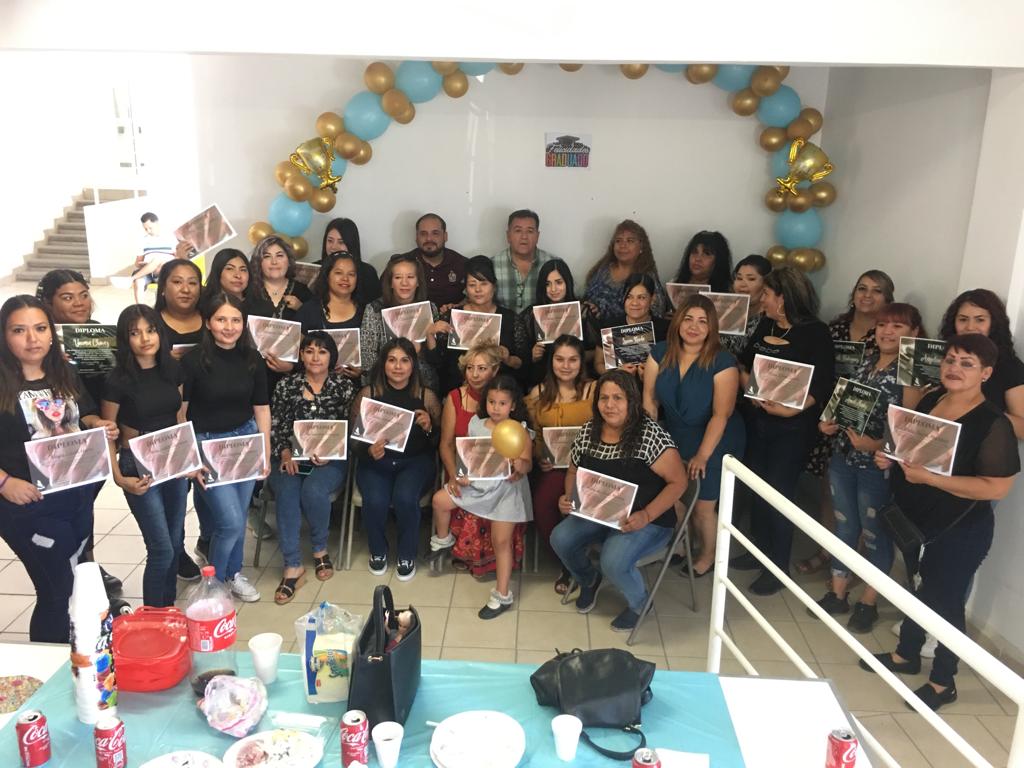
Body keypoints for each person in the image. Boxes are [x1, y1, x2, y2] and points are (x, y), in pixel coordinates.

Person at [861, 334, 1019, 712]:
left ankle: (943, 682)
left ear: (986, 373)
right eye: (950, 359)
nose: (954, 368)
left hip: (958, 531)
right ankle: (906, 654)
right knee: (917, 591)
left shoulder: (992, 423)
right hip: (916, 522)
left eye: (967, 363)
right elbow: (911, 451)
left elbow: (997, 487)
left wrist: (931, 480)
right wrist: (889, 457)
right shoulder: (931, 400)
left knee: (945, 605)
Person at [0, 296, 119, 642]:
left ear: (51, 332)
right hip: (27, 504)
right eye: (19, 330)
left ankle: (80, 656)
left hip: (75, 495)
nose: (32, 339)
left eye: (40, 328)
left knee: (78, 583)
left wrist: (98, 424)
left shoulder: (64, 373)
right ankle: (47, 664)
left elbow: (84, 414)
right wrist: (5, 482)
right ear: (4, 335)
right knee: (56, 592)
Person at [814, 302, 925, 632]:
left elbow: (912, 429)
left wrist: (876, 445)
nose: (887, 331)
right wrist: (826, 423)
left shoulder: (912, 372)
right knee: (844, 526)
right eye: (883, 324)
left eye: (897, 326)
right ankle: (837, 593)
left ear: (914, 333)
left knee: (875, 534)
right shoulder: (867, 360)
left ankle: (868, 602)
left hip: (878, 466)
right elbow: (844, 402)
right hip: (844, 456)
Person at [551, 370, 687, 632]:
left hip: (647, 520)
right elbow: (572, 471)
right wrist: (569, 498)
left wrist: (646, 515)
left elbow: (679, 483)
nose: (609, 405)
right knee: (560, 538)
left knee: (612, 560)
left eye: (618, 398)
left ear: (632, 400)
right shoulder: (589, 430)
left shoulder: (650, 435)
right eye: (604, 398)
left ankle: (640, 604)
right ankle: (589, 579)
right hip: (600, 514)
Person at [736, 266, 834, 596]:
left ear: (783, 297)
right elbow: (745, 362)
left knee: (778, 495)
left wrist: (792, 409)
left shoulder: (815, 332)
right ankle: (758, 551)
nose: (761, 299)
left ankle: (776, 567)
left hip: (792, 428)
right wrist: (750, 389)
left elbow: (823, 382)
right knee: (757, 489)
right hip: (758, 421)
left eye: (766, 294)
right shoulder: (766, 324)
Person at [644, 293, 745, 577]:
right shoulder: (659, 353)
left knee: (702, 506)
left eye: (702, 321)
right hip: (673, 433)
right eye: (688, 319)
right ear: (678, 321)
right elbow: (649, 401)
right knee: (673, 497)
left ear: (711, 327)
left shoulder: (723, 362)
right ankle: (682, 544)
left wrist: (702, 455)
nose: (694, 326)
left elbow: (721, 415)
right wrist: (649, 440)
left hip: (714, 438)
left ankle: (707, 556)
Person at [801, 269, 894, 576]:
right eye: (862, 288)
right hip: (831, 417)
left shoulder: (889, 335)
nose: (867, 295)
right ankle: (829, 552)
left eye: (877, 290)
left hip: (870, 430)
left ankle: (856, 563)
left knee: (864, 503)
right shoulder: (835, 328)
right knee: (830, 491)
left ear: (887, 299)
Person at [180, 293, 270, 601]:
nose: (229, 327)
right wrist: (190, 456)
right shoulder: (192, 361)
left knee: (239, 517)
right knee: (229, 522)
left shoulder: (253, 358)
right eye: (221, 319)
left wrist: (264, 450)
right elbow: (181, 414)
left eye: (235, 320)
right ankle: (214, 586)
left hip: (245, 441)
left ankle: (233, 574)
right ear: (208, 322)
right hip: (207, 445)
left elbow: (262, 408)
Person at [36, 269, 122, 594]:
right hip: (56, 442)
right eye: (67, 297)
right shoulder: (41, 344)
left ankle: (87, 565)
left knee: (85, 507)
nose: (79, 303)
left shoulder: (99, 334)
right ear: (48, 302)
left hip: (97, 430)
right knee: (64, 512)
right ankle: (75, 570)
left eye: (84, 295)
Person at [102, 304, 190, 607]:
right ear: (125, 338)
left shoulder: (172, 369)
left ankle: (168, 611)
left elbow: (179, 417)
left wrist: (188, 459)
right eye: (135, 332)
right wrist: (119, 478)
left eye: (150, 330)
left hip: (172, 461)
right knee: (161, 549)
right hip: (137, 465)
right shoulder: (118, 379)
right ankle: (153, 616)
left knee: (175, 544)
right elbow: (107, 433)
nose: (145, 338)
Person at [433, 374, 533, 619]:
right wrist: (461, 476)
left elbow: (527, 464)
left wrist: (518, 465)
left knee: (501, 541)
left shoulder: (519, 430)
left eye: (502, 403)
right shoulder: (476, 424)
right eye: (491, 402)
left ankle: (502, 594)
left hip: (507, 491)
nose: (496, 408)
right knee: (439, 500)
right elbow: (468, 459)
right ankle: (444, 540)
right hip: (479, 485)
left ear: (513, 405)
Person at [268, 331, 357, 604]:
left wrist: (332, 452)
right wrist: (285, 453)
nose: (315, 357)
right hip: (290, 457)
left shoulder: (344, 387)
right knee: (287, 492)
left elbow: (351, 429)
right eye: (309, 351)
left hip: (330, 459)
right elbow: (276, 425)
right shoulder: (286, 385)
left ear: (332, 357)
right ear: (301, 355)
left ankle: (319, 549)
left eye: (322, 351)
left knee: (314, 490)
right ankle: (292, 565)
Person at [427, 344, 528, 577]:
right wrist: (454, 475)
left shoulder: (503, 400)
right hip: (463, 471)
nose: (474, 374)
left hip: (498, 477)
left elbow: (519, 449)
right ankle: (456, 549)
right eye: (470, 368)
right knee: (449, 497)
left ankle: (490, 564)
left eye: (481, 368)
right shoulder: (455, 398)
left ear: (495, 370)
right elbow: (446, 444)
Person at [353, 337, 440, 580]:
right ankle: (378, 551)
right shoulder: (368, 394)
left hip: (415, 462)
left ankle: (407, 554)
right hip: (376, 463)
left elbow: (438, 441)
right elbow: (354, 440)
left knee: (405, 498)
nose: (398, 366)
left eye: (404, 360)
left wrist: (429, 427)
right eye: (392, 360)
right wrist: (368, 450)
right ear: (383, 364)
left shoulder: (426, 396)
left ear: (413, 365)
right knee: (375, 500)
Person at [525, 335, 595, 594]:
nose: (566, 366)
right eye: (560, 359)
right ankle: (567, 561)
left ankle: (581, 557)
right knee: (543, 504)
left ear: (581, 362)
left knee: (574, 504)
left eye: (573, 360)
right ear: (551, 361)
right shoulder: (538, 393)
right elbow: (533, 433)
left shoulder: (594, 390)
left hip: (590, 467)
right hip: (553, 467)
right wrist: (539, 456)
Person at [431, 255, 529, 395]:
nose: (478, 289)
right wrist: (431, 333)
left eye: (484, 283)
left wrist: (508, 359)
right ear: (466, 289)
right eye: (472, 285)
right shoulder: (452, 316)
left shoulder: (510, 318)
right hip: (457, 392)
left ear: (494, 286)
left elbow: (524, 364)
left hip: (499, 394)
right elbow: (437, 362)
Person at [939, 288, 1024, 438]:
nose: (970, 327)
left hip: (980, 447)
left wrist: (978, 410)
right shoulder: (941, 356)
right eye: (963, 319)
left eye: (980, 320)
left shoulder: (1009, 366)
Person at [360, 253, 441, 393]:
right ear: (390, 282)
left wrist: (420, 351)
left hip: (422, 384)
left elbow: (437, 362)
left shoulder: (430, 309)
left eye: (410, 277)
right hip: (384, 384)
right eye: (398, 277)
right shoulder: (374, 309)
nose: (405, 283)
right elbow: (368, 359)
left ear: (418, 282)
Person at [521, 258, 600, 386]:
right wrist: (532, 355)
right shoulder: (531, 314)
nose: (553, 289)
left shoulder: (583, 311)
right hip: (542, 379)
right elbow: (520, 358)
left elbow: (598, 352)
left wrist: (575, 356)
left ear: (567, 282)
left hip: (577, 378)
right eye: (547, 284)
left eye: (559, 282)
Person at [294, 250, 364, 380]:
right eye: (338, 273)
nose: (345, 279)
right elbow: (296, 355)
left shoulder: (366, 311)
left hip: (355, 384)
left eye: (351, 274)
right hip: (315, 384)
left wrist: (362, 373)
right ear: (327, 276)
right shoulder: (308, 310)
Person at [583, 219, 669, 323]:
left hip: (628, 331)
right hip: (595, 329)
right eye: (618, 240)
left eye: (630, 241)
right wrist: (591, 308)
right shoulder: (602, 270)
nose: (623, 245)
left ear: (641, 246)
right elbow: (587, 298)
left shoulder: (647, 277)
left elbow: (656, 314)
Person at [594, 274, 670, 377]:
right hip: (617, 383)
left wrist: (652, 373)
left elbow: (673, 365)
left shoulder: (665, 329)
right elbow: (598, 363)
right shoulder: (610, 326)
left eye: (641, 297)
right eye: (629, 297)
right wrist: (617, 373)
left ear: (652, 299)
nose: (634, 303)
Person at [493, 209, 555, 314]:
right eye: (518, 231)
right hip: (505, 324)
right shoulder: (492, 265)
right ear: (508, 236)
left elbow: (573, 298)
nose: (524, 237)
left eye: (530, 231)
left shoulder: (553, 264)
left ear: (537, 236)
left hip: (541, 324)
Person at [402, 213, 467, 313]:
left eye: (435, 233)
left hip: (452, 321)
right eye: (423, 234)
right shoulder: (402, 264)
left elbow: (475, 297)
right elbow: (385, 296)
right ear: (416, 237)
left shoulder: (462, 264)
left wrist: (459, 307)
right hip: (411, 321)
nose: (429, 239)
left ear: (445, 236)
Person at [245, 235, 312, 321]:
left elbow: (316, 325)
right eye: (267, 256)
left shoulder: (303, 291)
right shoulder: (248, 290)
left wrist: (301, 308)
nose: (274, 262)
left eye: (279, 256)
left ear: (289, 261)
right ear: (258, 262)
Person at [319, 218, 382, 306]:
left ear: (351, 244)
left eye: (341, 242)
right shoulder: (316, 267)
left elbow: (375, 306)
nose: (333, 247)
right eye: (330, 241)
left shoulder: (367, 272)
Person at [721, 254, 772, 356]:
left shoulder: (770, 318)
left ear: (766, 284)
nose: (742, 285)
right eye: (739, 278)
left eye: (751, 279)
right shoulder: (724, 308)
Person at [155, 259, 204, 359]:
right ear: (163, 287)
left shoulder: (213, 318)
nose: (185, 290)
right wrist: (164, 361)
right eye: (177, 282)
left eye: (192, 283)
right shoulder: (150, 323)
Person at [131, 212, 180, 303]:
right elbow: (137, 263)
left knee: (157, 259)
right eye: (145, 229)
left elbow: (179, 257)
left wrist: (164, 262)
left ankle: (131, 279)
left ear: (157, 224)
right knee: (139, 281)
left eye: (150, 228)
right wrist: (143, 264)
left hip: (165, 269)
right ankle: (140, 308)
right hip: (148, 271)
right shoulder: (143, 241)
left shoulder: (170, 238)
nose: (148, 231)